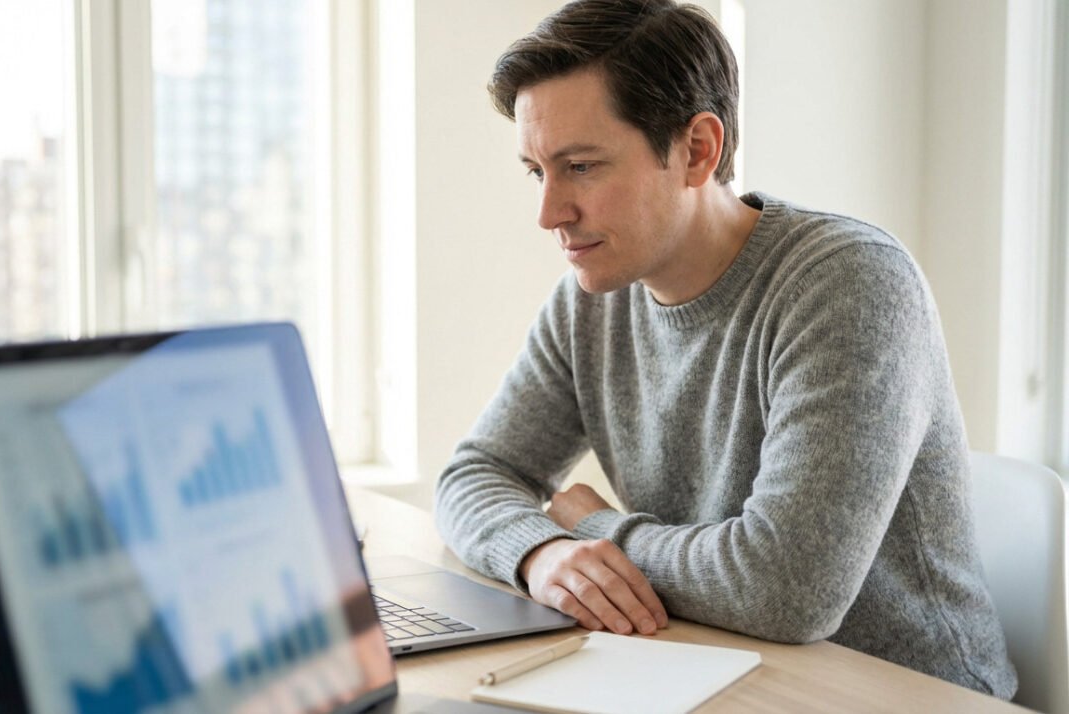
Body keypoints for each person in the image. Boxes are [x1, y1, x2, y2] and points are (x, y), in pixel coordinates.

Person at [434, 0, 1016, 698]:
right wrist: (538, 549)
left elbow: (786, 588)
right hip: (720, 675)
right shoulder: (590, 302)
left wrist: (593, 526)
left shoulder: (850, 284)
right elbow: (474, 474)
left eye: (581, 167)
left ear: (698, 150)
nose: (548, 213)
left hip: (903, 695)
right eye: (537, 172)